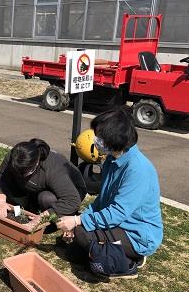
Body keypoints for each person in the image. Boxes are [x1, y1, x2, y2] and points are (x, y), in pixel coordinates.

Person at [56, 106, 163, 279]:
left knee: (82, 235)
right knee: (73, 251)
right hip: (119, 223)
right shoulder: (112, 160)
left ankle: (130, 261)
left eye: (100, 137)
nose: (96, 140)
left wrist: (77, 221)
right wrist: (78, 221)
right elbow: (102, 201)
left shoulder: (138, 170)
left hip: (136, 232)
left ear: (114, 139)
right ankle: (107, 250)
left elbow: (118, 212)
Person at [0, 139, 87, 223]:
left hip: (71, 192)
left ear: (36, 163)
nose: (20, 175)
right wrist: (1, 201)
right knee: (11, 185)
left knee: (46, 198)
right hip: (39, 186)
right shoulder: (14, 157)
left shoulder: (52, 170)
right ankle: (31, 205)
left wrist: (42, 217)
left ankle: (55, 221)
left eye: (24, 173)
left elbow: (72, 200)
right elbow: (1, 179)